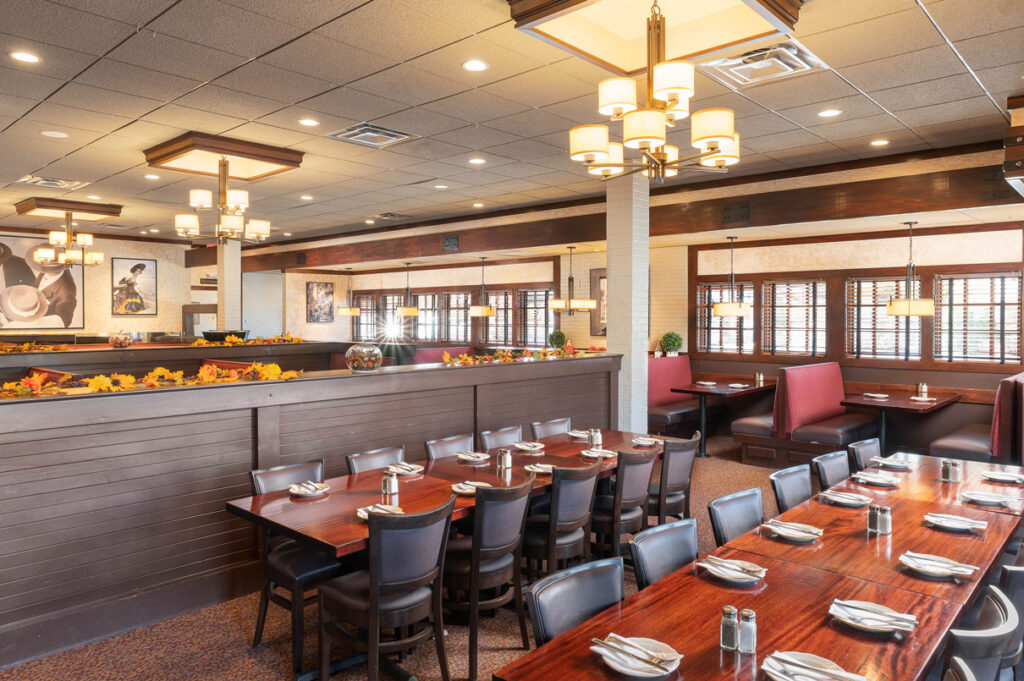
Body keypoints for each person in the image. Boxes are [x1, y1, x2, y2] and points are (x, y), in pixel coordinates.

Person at [27, 244, 78, 328]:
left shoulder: (67, 293)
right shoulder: (45, 270)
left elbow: (63, 322)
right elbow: (36, 287)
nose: (43, 267)